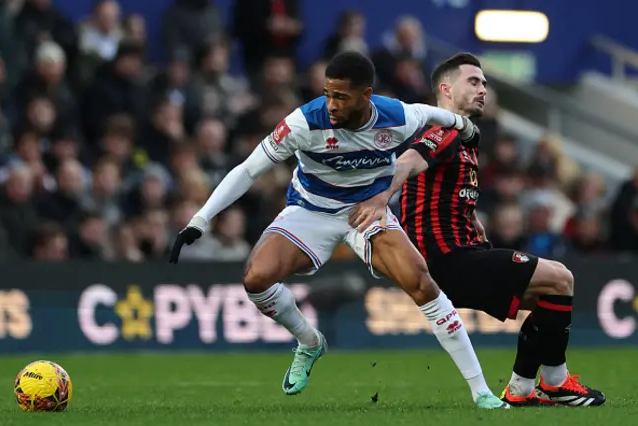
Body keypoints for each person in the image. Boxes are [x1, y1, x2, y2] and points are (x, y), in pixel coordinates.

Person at [169, 51, 508, 409]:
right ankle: (310, 342)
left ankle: (481, 390)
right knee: (256, 278)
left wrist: (466, 127)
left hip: (365, 211)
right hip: (311, 209)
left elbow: (438, 115)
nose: (331, 104)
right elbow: (249, 170)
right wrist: (201, 219)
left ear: (366, 96)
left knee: (421, 281)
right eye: (328, 94)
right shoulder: (303, 123)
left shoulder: (398, 116)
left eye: (341, 97)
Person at [349, 52, 606, 407]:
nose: (483, 89)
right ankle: (555, 382)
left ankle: (520, 389)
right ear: (446, 89)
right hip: (449, 259)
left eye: (484, 83)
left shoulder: (465, 139)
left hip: (461, 254)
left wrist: (472, 220)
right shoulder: (444, 130)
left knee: (550, 297)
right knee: (561, 278)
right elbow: (407, 163)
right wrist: (380, 199)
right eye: (473, 81)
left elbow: (442, 192)